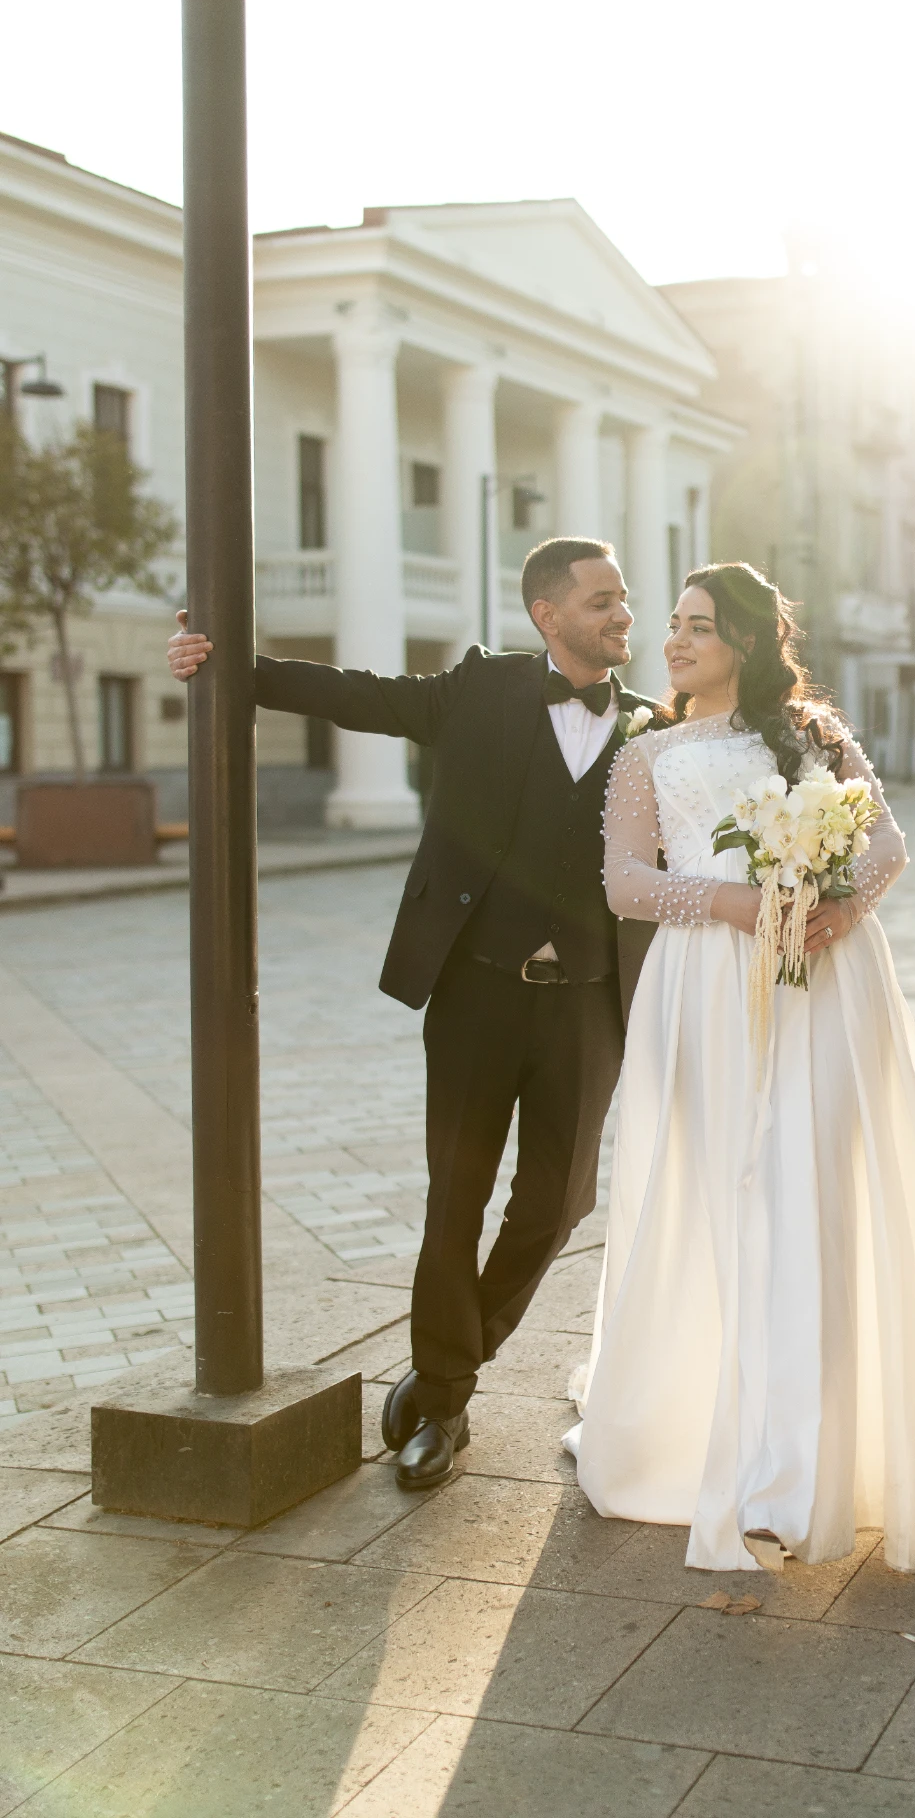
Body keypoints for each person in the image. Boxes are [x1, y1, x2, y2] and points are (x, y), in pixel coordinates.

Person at [563, 562, 915, 1573]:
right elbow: (621, 884)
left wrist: (838, 907)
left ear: (744, 638)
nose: (674, 641)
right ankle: (724, 1428)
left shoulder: (815, 736)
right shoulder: (646, 754)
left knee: (811, 1192)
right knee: (715, 1196)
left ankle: (816, 1453)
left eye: (698, 625)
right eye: (672, 625)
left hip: (823, 983)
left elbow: (885, 845)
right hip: (702, 988)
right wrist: (734, 903)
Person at [168, 537, 660, 1493]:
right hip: (477, 993)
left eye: (625, 599)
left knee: (561, 1205)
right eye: (603, 600)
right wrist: (230, 665)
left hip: (591, 1005)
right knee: (455, 1199)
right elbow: (359, 694)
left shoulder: (652, 727)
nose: (622, 615)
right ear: (547, 615)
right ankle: (444, 1400)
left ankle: (443, 1365)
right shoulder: (479, 691)